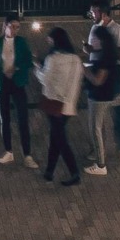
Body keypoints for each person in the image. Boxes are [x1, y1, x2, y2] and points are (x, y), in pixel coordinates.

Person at [82, 5, 120, 174]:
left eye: (94, 11)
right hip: (96, 67)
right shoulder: (95, 28)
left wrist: (101, 51)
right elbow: (91, 49)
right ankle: (97, 150)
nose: (91, 14)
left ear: (102, 13)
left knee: (115, 114)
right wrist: (90, 49)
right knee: (96, 119)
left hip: (109, 75)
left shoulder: (117, 30)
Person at [0, 15, 37, 164]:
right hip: (2, 83)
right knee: (4, 119)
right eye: (12, 26)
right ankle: (8, 151)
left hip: (17, 82)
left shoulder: (21, 42)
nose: (14, 30)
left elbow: (28, 60)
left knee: (23, 118)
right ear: (5, 26)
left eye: (17, 27)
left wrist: (16, 68)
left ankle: (27, 154)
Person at [36, 25, 84, 183]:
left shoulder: (53, 59)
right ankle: (49, 171)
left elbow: (44, 79)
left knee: (60, 139)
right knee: (56, 136)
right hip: (69, 104)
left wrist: (36, 66)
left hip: (54, 103)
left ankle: (74, 172)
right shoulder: (76, 59)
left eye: (50, 40)